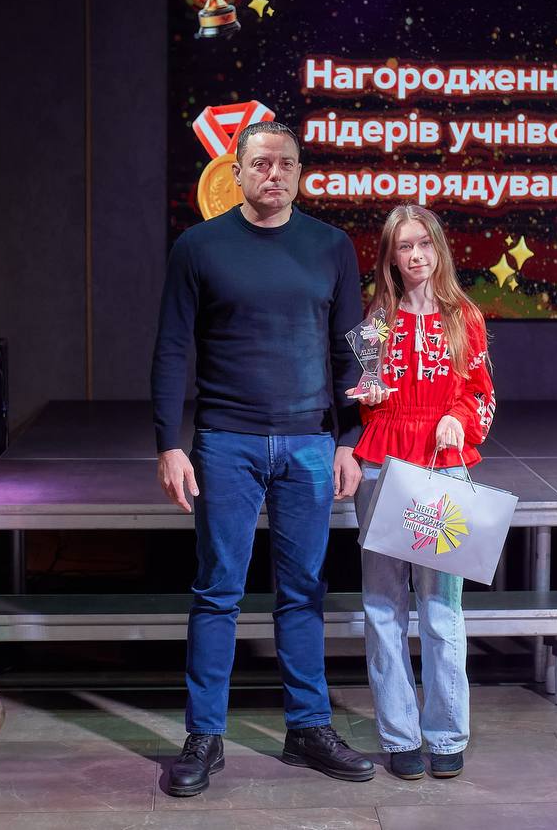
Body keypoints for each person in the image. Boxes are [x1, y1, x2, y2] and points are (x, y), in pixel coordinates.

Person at [151, 120, 374, 796]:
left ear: (299, 173)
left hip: (310, 442)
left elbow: (353, 348)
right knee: (217, 591)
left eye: (285, 164)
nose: (273, 174)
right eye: (260, 164)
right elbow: (172, 348)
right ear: (237, 172)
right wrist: (168, 443)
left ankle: (308, 727)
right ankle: (204, 736)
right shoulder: (199, 247)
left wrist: (350, 438)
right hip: (226, 442)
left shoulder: (331, 246)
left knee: (304, 591)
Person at [350, 204, 495, 781]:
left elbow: (481, 392)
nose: (416, 256)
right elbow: (365, 393)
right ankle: (399, 735)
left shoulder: (464, 316)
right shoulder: (375, 320)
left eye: (424, 244)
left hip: (441, 463)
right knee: (383, 605)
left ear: (439, 249)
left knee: (440, 607)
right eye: (404, 246)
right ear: (390, 256)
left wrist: (458, 416)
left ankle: (447, 734)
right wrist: (369, 392)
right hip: (383, 461)